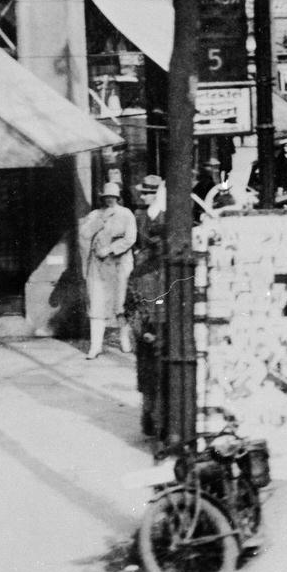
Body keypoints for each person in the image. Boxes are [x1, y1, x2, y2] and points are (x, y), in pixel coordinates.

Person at [79, 181, 137, 358]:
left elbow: (130, 238)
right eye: (106, 197)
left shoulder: (126, 214)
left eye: (113, 197)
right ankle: (95, 346)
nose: (109, 200)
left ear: (118, 197)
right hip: (98, 266)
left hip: (120, 264)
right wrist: (100, 221)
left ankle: (124, 340)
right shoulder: (95, 214)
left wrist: (111, 249)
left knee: (121, 303)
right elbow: (84, 234)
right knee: (97, 303)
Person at [128, 175, 166, 437]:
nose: (144, 197)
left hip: (156, 281)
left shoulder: (164, 214)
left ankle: (156, 416)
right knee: (147, 369)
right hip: (146, 281)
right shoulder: (141, 216)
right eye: (143, 193)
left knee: (156, 369)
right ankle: (150, 416)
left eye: (148, 193)